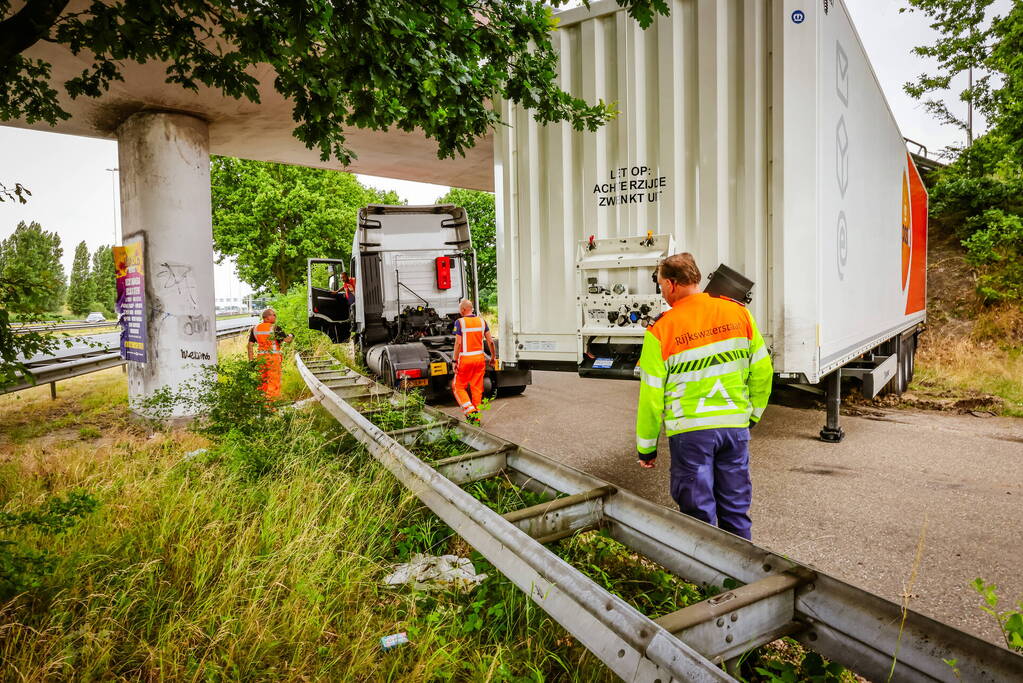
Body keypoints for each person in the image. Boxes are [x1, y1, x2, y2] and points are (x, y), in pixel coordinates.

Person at [635, 253, 773, 540]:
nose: (662, 292)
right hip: (735, 429)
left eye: (661, 286)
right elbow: (762, 372)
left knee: (699, 514)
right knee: (735, 507)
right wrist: (753, 415)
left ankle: (706, 581)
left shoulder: (660, 330)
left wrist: (646, 448)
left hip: (691, 432)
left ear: (672, 284)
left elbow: (650, 397)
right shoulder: (739, 313)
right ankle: (742, 573)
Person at [452, 299, 496, 425]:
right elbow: (490, 341)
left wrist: (454, 360)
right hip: (479, 360)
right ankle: (476, 419)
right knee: (477, 388)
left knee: (458, 387)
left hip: (465, 359)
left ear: (463, 310)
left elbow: (458, 343)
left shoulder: (460, 322)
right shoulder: (482, 321)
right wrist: (493, 357)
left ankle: (471, 412)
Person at [247, 308, 295, 401]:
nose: (275, 317)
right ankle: (270, 407)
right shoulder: (275, 328)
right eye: (274, 315)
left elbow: (250, 345)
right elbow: (287, 340)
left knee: (262, 381)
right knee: (273, 382)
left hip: (261, 359)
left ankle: (260, 403)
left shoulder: (255, 328)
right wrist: (291, 335)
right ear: (267, 317)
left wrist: (251, 361)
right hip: (273, 359)